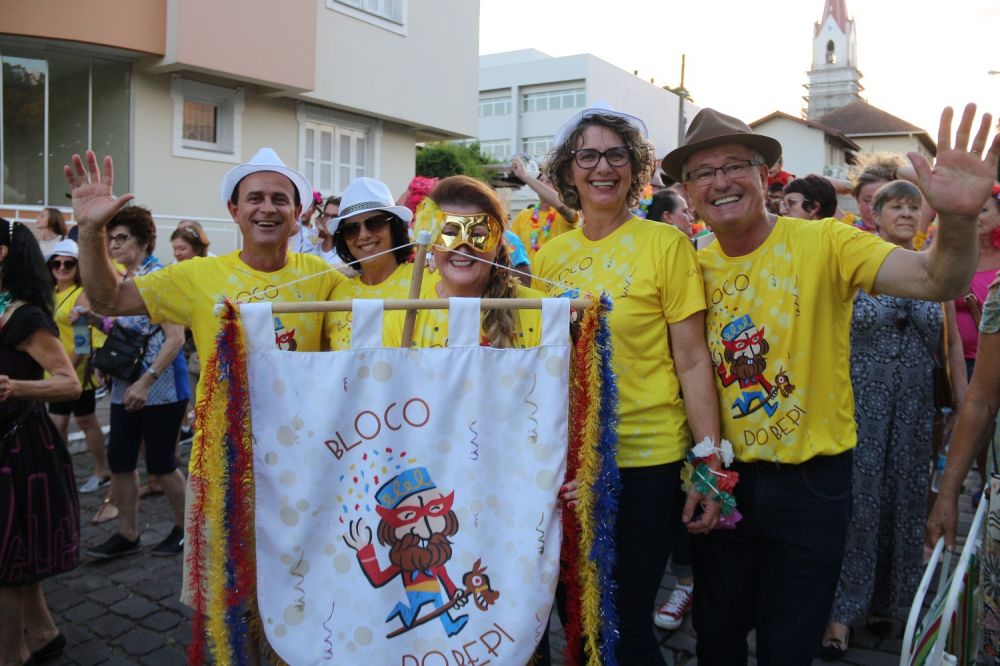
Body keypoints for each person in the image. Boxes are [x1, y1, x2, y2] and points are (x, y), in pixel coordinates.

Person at [659, 103, 998, 664]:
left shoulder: (826, 243)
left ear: (765, 176)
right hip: (725, 477)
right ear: (689, 193)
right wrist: (703, 466)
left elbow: (939, 277)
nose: (721, 181)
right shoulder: (688, 263)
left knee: (789, 646)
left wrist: (958, 220)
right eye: (702, 173)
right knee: (716, 639)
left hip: (813, 487)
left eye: (736, 165)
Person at [63, 147, 344, 603]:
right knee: (229, 600)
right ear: (234, 210)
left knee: (300, 593)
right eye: (254, 198)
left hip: (303, 468)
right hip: (223, 465)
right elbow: (109, 299)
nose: (267, 208)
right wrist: (92, 230)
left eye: (280, 199)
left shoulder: (325, 277)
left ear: (298, 214)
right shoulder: (195, 275)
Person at [533, 103, 722, 664]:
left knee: (626, 618)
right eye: (587, 155)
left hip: (646, 459)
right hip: (571, 461)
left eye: (616, 155)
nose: (602, 167)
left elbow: (691, 360)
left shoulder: (666, 245)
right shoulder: (549, 257)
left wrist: (709, 461)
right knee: (577, 611)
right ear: (569, 170)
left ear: (634, 168)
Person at [820, 180, 967, 660]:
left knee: (904, 502)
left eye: (912, 206)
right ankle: (841, 613)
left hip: (915, 411)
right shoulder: (854, 261)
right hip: (860, 404)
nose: (905, 214)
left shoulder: (933, 269)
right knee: (857, 503)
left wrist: (964, 406)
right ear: (875, 216)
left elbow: (950, 347)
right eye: (895, 207)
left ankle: (887, 602)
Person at [85, 206, 191, 559]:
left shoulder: (160, 277)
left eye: (121, 238)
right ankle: (127, 534)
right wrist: (96, 324)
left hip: (161, 386)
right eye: (110, 238)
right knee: (120, 459)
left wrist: (146, 381)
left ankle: (187, 530)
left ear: (143, 241)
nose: (113, 245)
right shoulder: (121, 279)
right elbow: (128, 333)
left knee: (162, 463)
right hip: (125, 382)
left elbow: (174, 338)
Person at [0, 217, 81, 665]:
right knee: (12, 554)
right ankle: (44, 633)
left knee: (5, 564)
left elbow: (68, 384)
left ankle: (10, 657)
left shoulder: (26, 316)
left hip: (20, 449)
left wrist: (16, 387)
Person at [388, 175, 545, 349]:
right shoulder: (404, 314)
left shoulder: (541, 312)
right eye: (450, 233)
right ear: (432, 243)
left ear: (499, 245)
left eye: (477, 235)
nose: (463, 247)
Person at [45, 239, 110, 494]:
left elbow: (83, 345)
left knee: (85, 420)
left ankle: (101, 469)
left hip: (75, 370)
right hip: (54, 370)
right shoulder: (49, 293)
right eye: (56, 262)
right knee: (56, 423)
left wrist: (67, 369)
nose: (61, 267)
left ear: (78, 266)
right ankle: (61, 469)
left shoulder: (80, 295)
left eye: (68, 263)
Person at [326, 177, 414, 350]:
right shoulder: (337, 294)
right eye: (352, 229)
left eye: (375, 223)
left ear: (394, 227)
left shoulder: (424, 280)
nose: (363, 235)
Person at [509, 157, 578, 259]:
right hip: (526, 274)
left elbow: (562, 206)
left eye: (549, 181)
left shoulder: (566, 215)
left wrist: (524, 176)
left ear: (558, 187)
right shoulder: (523, 215)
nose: (542, 184)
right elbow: (511, 248)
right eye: (541, 180)